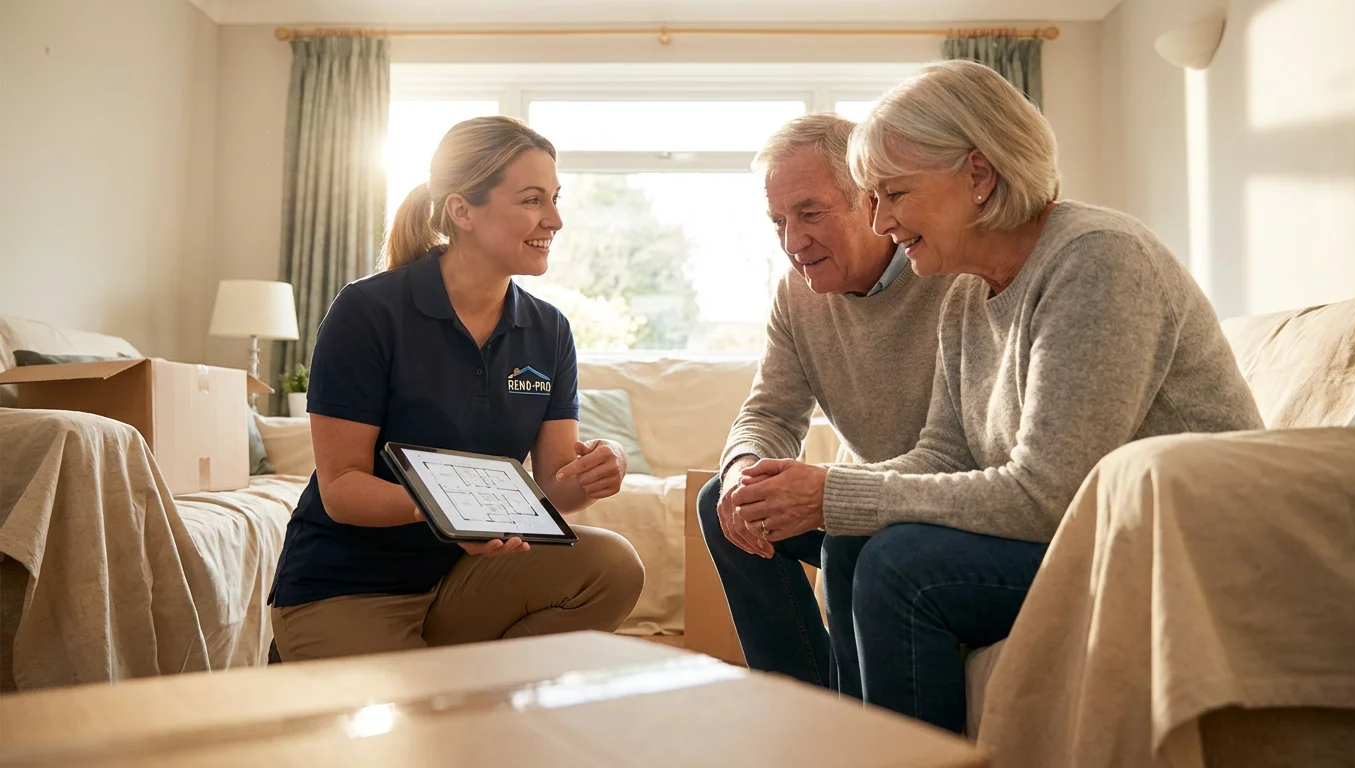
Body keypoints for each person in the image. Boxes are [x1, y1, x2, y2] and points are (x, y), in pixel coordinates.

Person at [729, 60, 1264, 732]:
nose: (882, 219)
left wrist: (837, 494)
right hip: (1089, 534)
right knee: (852, 545)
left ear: (979, 176)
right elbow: (944, 451)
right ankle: (849, 746)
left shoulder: (1098, 260)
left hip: (1179, 548)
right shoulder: (969, 295)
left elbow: (1047, 493)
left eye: (893, 193)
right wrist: (838, 499)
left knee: (900, 563)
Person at [268, 116, 645, 662]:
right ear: (462, 210)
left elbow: (556, 489)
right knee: (400, 740)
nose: (556, 220)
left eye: (556, 198)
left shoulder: (548, 330)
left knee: (610, 567)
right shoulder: (368, 311)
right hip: (349, 584)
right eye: (532, 200)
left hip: (467, 578)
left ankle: (477, 689)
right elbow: (342, 489)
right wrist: (446, 511)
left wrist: (597, 471)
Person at [697, 113, 957, 696]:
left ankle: (851, 726)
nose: (793, 243)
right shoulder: (797, 294)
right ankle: (799, 705)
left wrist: (839, 494)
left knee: (850, 532)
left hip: (940, 502)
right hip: (866, 497)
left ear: (871, 198)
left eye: (810, 213)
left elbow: (964, 448)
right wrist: (743, 469)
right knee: (723, 500)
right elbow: (770, 413)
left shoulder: (947, 275)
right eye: (778, 222)